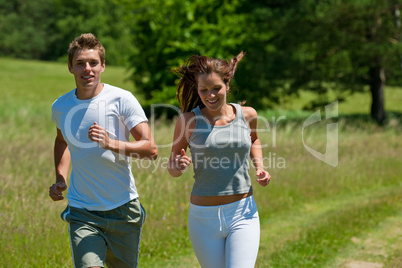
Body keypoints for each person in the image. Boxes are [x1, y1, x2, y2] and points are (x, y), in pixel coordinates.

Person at [48, 33, 157, 268]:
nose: (87, 69)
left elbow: (150, 148)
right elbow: (61, 140)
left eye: (93, 63)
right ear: (70, 67)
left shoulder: (122, 99)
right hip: (82, 210)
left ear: (103, 66)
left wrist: (111, 143)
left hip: (123, 209)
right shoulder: (61, 106)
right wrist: (60, 176)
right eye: (80, 63)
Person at [168, 52, 271, 268]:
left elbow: (254, 139)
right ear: (197, 89)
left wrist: (259, 166)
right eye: (203, 90)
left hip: (242, 212)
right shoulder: (189, 121)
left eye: (216, 88)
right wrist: (177, 166)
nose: (210, 95)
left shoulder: (248, 114)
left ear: (227, 85)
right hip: (203, 218)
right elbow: (173, 164)